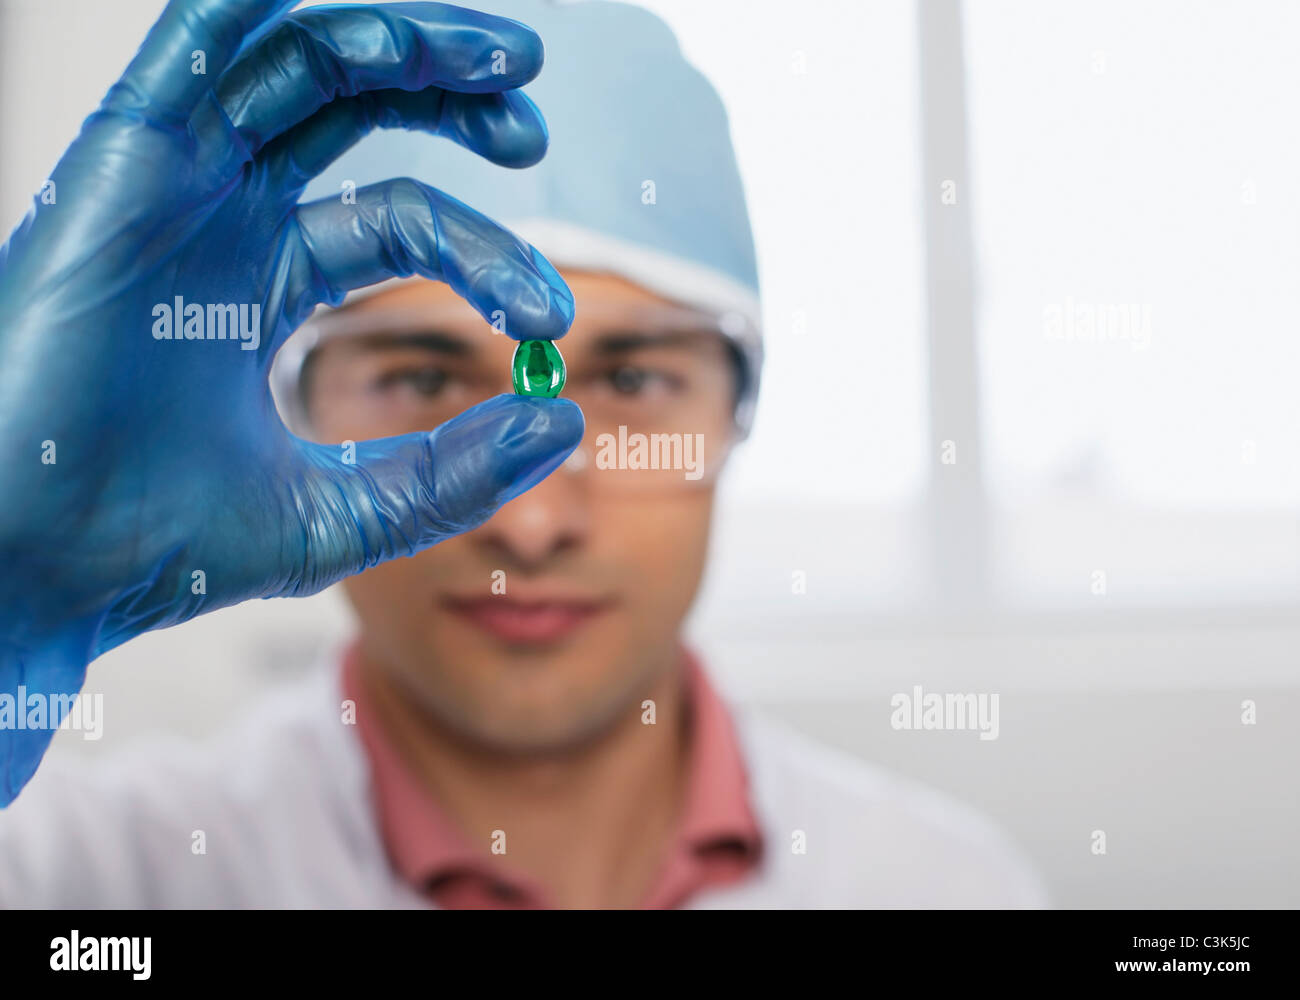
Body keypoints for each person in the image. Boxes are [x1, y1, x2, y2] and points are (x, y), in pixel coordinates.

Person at [0, 0, 1047, 908]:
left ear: (741, 412)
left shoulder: (941, 888)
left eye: (634, 383)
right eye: (420, 379)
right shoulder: (87, 878)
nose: (529, 521)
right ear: (281, 406)